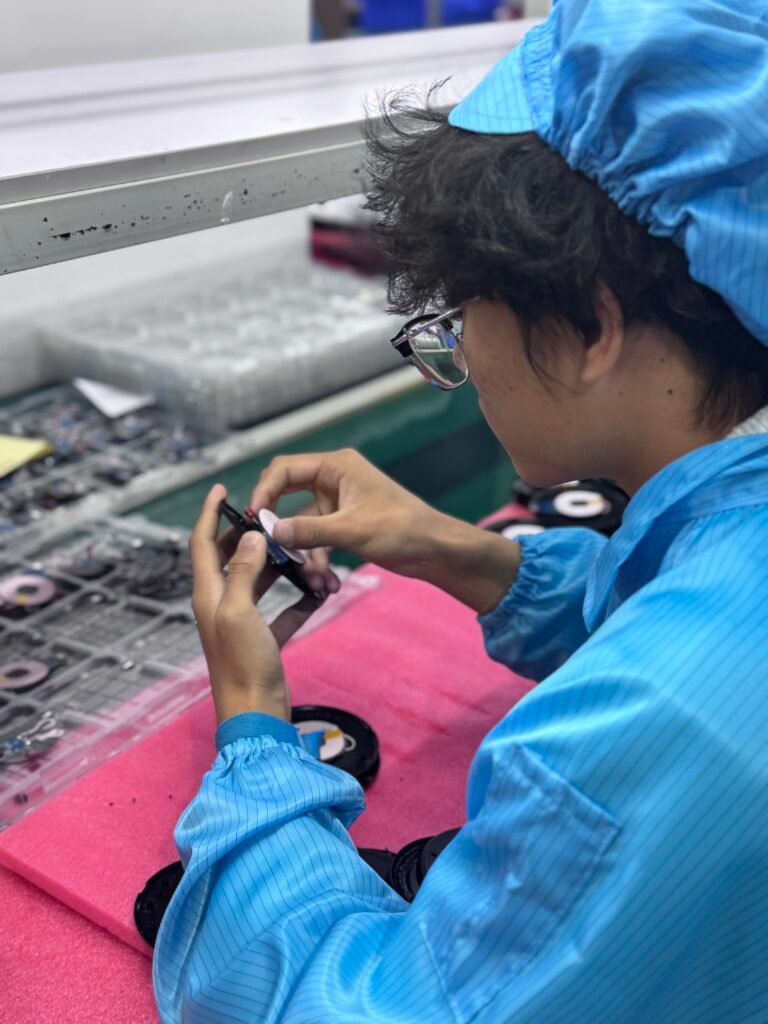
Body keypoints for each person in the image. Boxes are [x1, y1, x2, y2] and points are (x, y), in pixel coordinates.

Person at [154, 0, 768, 1020]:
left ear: (588, 326)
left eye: (460, 314)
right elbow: (691, 596)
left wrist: (255, 732)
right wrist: (462, 553)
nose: (461, 354)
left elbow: (348, 1007)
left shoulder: (652, 728)